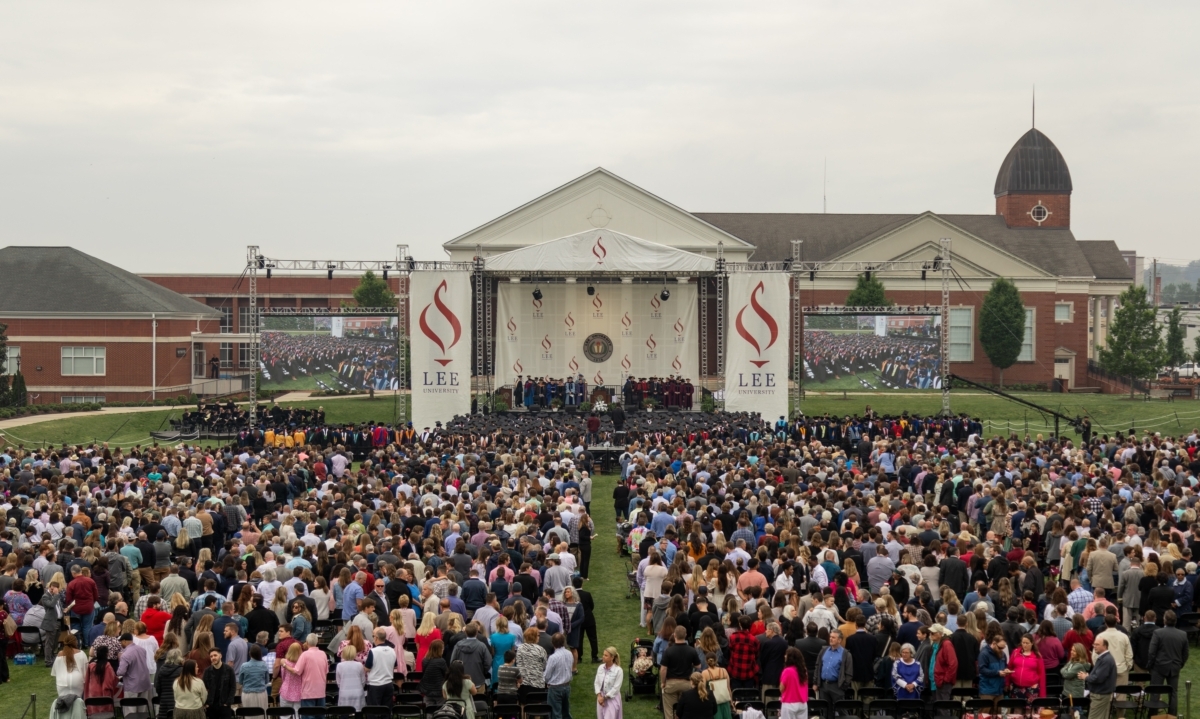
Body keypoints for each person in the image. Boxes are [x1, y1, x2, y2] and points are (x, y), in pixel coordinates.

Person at [1146, 610, 1189, 715]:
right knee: (1173, 693)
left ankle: (1153, 715)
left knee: (1155, 692)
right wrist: (1179, 664)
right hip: (1174, 667)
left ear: (1164, 620)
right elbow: (1185, 654)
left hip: (1159, 667)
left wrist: (1150, 665)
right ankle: (1172, 715)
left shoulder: (1158, 633)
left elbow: (1151, 652)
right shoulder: (1182, 634)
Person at [661, 625, 701, 719]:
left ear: (674, 635)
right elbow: (698, 666)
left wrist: (663, 682)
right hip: (687, 684)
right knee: (686, 710)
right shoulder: (691, 650)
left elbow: (663, 669)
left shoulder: (668, 651)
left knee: (669, 711)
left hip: (671, 683)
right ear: (685, 635)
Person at [1078, 637, 1117, 719]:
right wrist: (1089, 676)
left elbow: (1098, 678)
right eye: (1094, 644)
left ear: (1105, 646)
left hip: (1100, 695)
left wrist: (1086, 677)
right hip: (1102, 694)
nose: (1094, 646)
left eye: (1097, 644)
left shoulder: (1106, 660)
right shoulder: (1104, 658)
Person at [117, 632, 153, 715]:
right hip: (145, 682)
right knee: (143, 710)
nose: (120, 644)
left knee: (130, 711)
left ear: (125, 641)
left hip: (132, 684)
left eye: (121, 642)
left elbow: (121, 672)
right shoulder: (142, 650)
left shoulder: (125, 654)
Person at [1006, 634, 1046, 706]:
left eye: (1027, 643)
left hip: (1031, 688)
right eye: (1023, 643)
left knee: (1029, 711)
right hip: (1016, 687)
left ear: (1032, 643)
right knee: (1017, 710)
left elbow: (1042, 674)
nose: (1024, 645)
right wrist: (1007, 684)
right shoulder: (1015, 653)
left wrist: (1042, 695)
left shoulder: (1037, 656)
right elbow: (1009, 668)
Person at [815, 629, 853, 703]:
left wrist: (843, 687)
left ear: (839, 640)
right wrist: (816, 682)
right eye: (830, 637)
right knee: (825, 710)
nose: (831, 639)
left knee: (841, 710)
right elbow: (818, 666)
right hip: (824, 685)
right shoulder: (823, 650)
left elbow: (849, 672)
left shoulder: (846, 654)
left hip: (837, 686)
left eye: (833, 637)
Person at [543, 633, 574, 719]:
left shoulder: (553, 658)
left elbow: (546, 676)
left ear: (553, 643)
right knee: (566, 712)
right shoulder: (569, 653)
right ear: (564, 642)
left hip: (555, 688)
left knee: (555, 714)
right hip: (567, 686)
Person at [83, 645, 121, 714]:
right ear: (106, 654)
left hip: (92, 691)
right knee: (104, 711)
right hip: (104, 692)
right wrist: (117, 679)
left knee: (94, 709)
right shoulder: (107, 666)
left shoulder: (91, 665)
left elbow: (87, 680)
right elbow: (110, 681)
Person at [365, 627, 398, 707]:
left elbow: (367, 668)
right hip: (388, 684)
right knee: (386, 710)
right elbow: (395, 666)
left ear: (376, 638)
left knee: (373, 711)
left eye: (373, 636)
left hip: (376, 684)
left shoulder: (373, 651)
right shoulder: (392, 650)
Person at [203, 647, 237, 719]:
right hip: (211, 706)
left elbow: (233, 687)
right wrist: (206, 703)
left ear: (220, 656)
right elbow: (203, 688)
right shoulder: (207, 671)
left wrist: (228, 702)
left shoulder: (229, 670)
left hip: (224, 705)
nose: (213, 658)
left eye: (215, 655)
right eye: (211, 656)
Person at [237, 644, 271, 713]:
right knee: (262, 714)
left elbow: (240, 681)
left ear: (250, 653)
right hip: (261, 694)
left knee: (249, 714)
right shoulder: (264, 665)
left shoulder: (244, 666)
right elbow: (267, 681)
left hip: (247, 694)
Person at [779, 647, 810, 719]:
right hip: (802, 703)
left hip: (789, 703)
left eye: (786, 655)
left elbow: (781, 688)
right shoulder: (804, 670)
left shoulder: (787, 671)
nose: (785, 656)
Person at [594, 647, 623, 719]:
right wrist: (599, 696)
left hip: (612, 699)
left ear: (612, 657)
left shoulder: (618, 670)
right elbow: (596, 682)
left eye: (606, 655)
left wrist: (604, 698)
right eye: (603, 654)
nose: (603, 657)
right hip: (600, 698)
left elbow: (616, 688)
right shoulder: (600, 667)